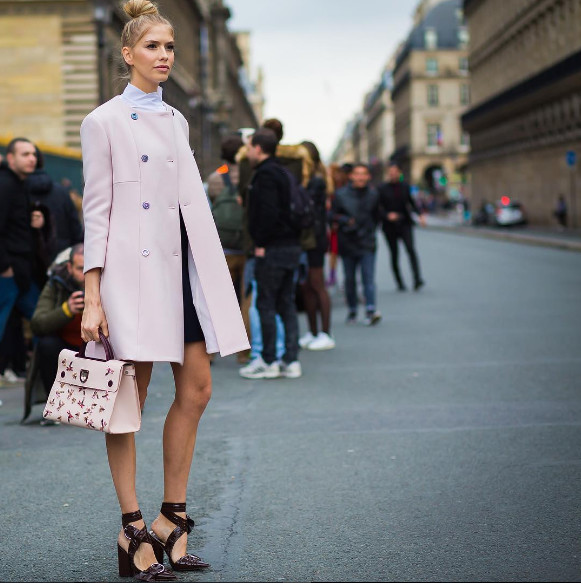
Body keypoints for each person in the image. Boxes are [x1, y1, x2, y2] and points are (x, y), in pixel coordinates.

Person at [80, 1, 248, 579]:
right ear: (127, 54)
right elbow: (96, 214)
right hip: (132, 276)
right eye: (152, 46)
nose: (164, 56)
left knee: (198, 390)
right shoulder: (102, 121)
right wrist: (93, 294)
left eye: (170, 47)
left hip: (183, 271)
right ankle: (132, 532)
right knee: (129, 402)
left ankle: (171, 519)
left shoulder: (177, 120)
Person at [239, 128, 302, 379]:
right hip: (291, 246)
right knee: (286, 304)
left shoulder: (264, 175)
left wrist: (261, 242)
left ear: (257, 148)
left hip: (272, 248)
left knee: (265, 303)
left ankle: (268, 361)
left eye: (250, 147)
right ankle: (291, 360)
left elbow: (267, 213)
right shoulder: (286, 172)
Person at [23, 244, 85, 424]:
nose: (84, 275)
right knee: (46, 344)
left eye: (88, 269)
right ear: (69, 267)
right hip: (66, 347)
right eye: (80, 269)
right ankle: (56, 406)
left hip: (95, 346)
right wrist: (66, 309)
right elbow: (37, 323)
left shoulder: (106, 282)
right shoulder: (57, 284)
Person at [206, 133, 251, 364]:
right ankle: (244, 352)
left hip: (222, 246)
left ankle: (212, 351)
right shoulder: (248, 175)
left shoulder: (216, 177)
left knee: (219, 300)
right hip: (246, 245)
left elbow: (210, 206)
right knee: (245, 299)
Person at [331, 163, 382, 326]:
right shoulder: (340, 195)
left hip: (367, 241)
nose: (360, 177)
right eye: (357, 174)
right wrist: (345, 221)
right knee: (350, 279)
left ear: (368, 177)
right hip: (348, 241)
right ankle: (352, 310)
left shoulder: (374, 195)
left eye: (364, 174)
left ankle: (370, 309)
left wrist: (370, 230)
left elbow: (377, 216)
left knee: (368, 277)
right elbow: (331, 215)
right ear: (351, 176)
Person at [297, 141, 335, 351]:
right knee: (307, 287)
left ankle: (326, 333)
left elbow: (308, 210)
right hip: (307, 238)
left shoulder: (316, 182)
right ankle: (313, 332)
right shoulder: (309, 180)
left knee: (317, 284)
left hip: (316, 238)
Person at [0, 137, 37, 347]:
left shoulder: (19, 184)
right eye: (25, 154)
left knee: (41, 320)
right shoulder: (6, 184)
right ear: (11, 158)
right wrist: (5, 267)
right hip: (8, 272)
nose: (32, 159)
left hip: (20, 271)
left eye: (33, 154)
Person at [27, 146, 84, 261]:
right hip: (60, 262)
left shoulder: (15, 192)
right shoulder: (62, 193)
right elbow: (77, 232)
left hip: (25, 264)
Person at [378, 161, 426, 292]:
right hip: (389, 226)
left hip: (405, 222)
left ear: (399, 173)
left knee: (411, 250)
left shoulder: (405, 186)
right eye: (390, 172)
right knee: (394, 254)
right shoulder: (382, 188)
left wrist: (420, 214)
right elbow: (378, 207)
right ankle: (399, 282)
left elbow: (411, 202)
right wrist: (387, 215)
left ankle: (417, 279)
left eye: (395, 172)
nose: (392, 174)